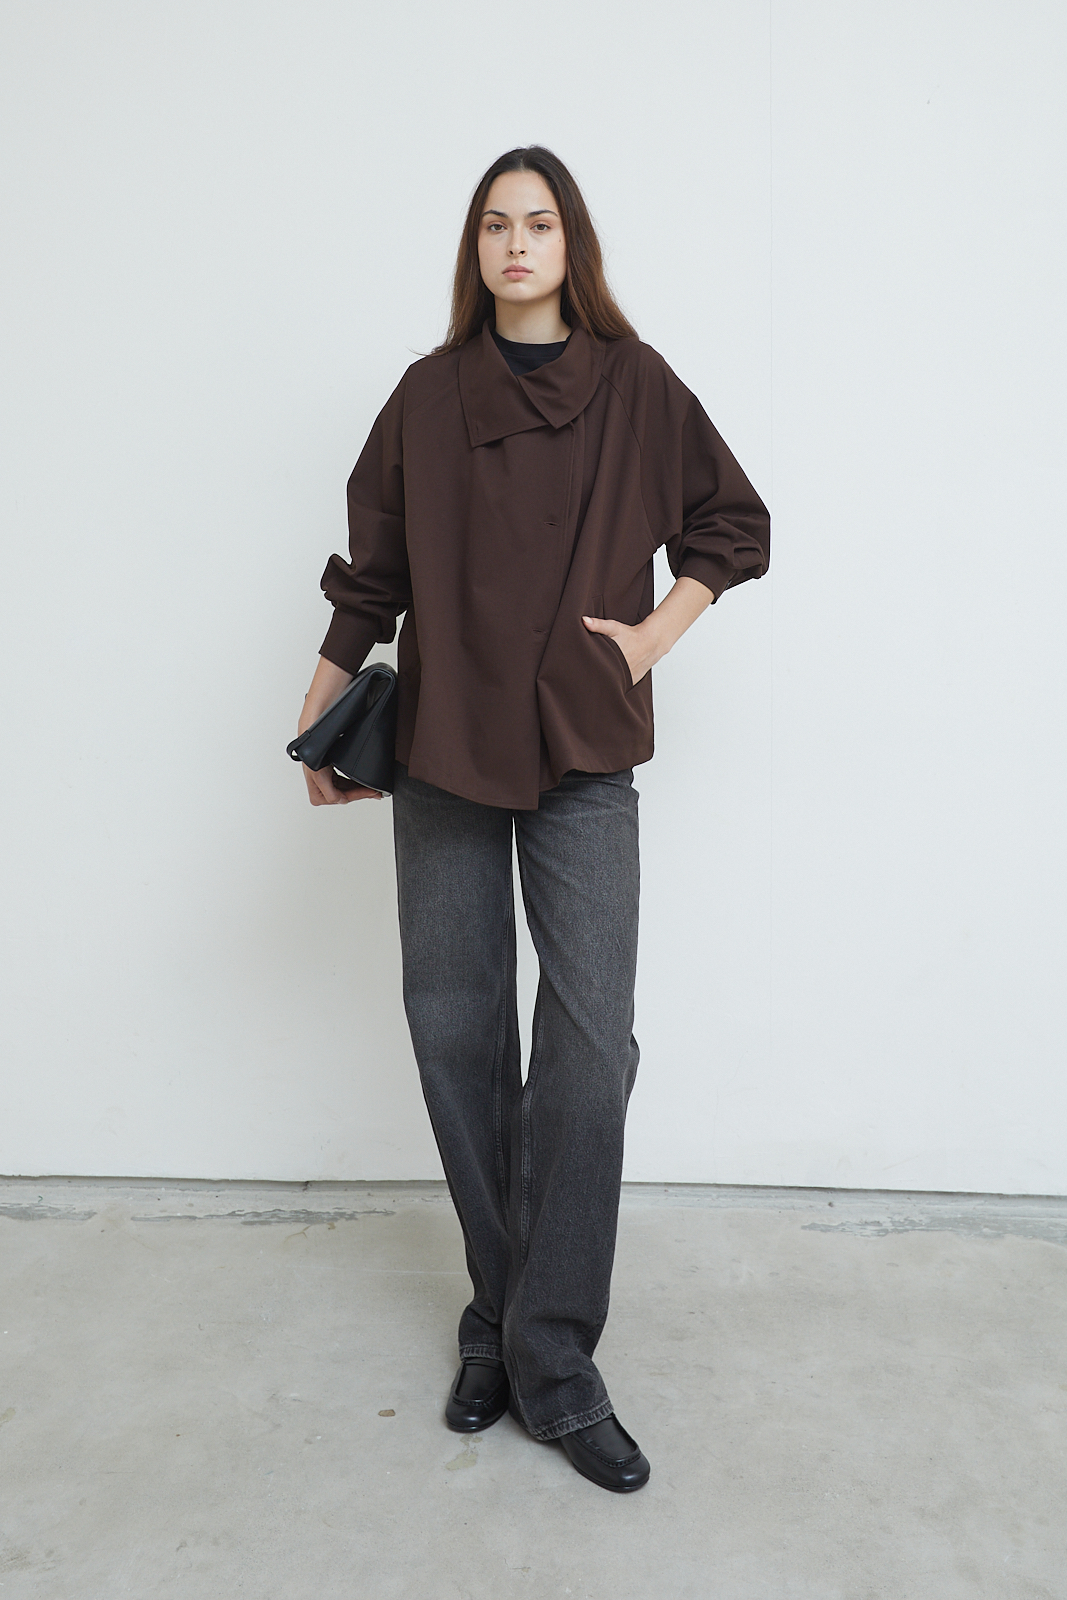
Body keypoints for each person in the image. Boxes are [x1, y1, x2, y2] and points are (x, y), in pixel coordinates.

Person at [296, 146, 770, 1493]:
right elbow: (373, 572)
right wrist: (319, 711)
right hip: (445, 746)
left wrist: (652, 639)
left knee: (588, 1047)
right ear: (476, 249)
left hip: (583, 749)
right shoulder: (426, 394)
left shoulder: (636, 383)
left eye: (540, 223)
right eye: (496, 224)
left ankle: (548, 1356)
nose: (517, 243)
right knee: (454, 1030)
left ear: (573, 246)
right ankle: (504, 1317)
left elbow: (732, 524)